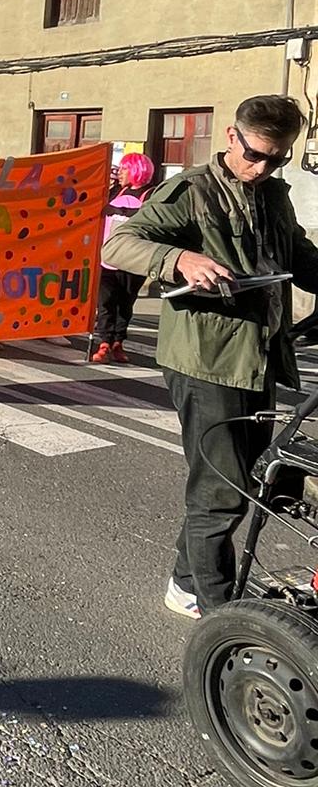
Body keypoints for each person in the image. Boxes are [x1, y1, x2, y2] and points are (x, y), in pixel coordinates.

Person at [105, 95, 318, 618]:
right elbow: (118, 246)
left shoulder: (273, 195)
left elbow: (298, 254)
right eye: (256, 154)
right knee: (221, 491)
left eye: (277, 158)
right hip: (205, 361)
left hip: (258, 356)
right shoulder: (191, 192)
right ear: (231, 136)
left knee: (243, 480)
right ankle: (218, 610)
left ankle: (186, 580)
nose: (262, 167)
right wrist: (180, 259)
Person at [91, 151, 156, 364]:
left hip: (133, 260)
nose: (120, 173)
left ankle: (118, 342)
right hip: (107, 257)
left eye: (124, 169)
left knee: (125, 303)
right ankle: (104, 342)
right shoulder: (116, 192)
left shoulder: (151, 195)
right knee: (106, 301)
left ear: (136, 171)